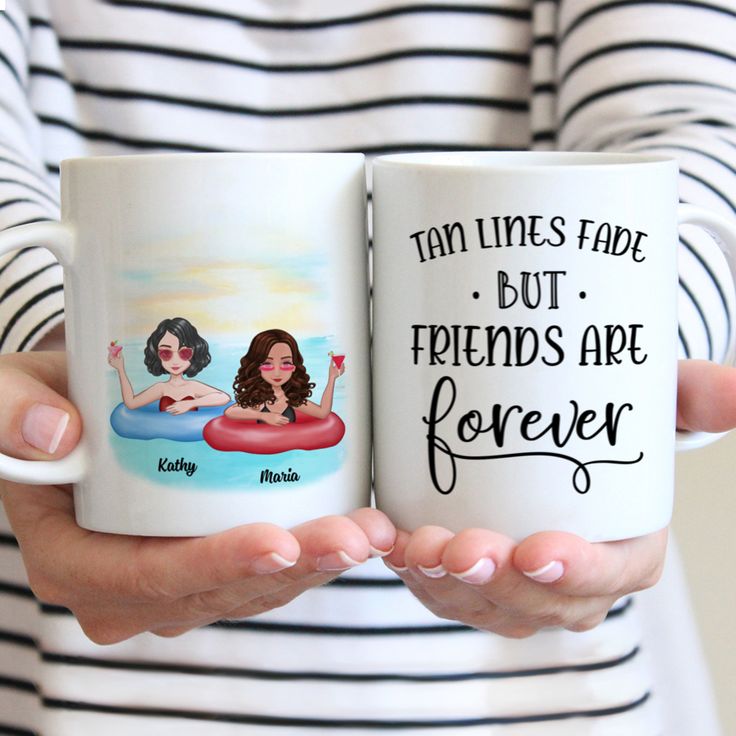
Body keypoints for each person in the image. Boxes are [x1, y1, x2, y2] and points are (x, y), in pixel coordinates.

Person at [0, 0, 733, 733]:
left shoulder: (244, 390)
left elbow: (697, 133)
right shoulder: (203, 392)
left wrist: (629, 355)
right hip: (83, 678)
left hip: (533, 688)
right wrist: (49, 347)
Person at [109, 316, 231, 414]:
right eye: (166, 353)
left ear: (194, 353)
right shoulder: (161, 388)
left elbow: (224, 397)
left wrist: (190, 403)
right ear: (156, 354)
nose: (175, 360)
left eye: (184, 353)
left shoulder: (193, 386)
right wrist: (120, 369)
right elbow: (131, 403)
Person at [226, 328, 344, 426]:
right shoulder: (260, 400)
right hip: (261, 450)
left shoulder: (291, 399)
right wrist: (263, 416)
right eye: (267, 364)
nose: (277, 373)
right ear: (257, 367)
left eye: (286, 363)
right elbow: (230, 411)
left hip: (293, 453)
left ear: (294, 366)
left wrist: (332, 378)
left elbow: (322, 413)